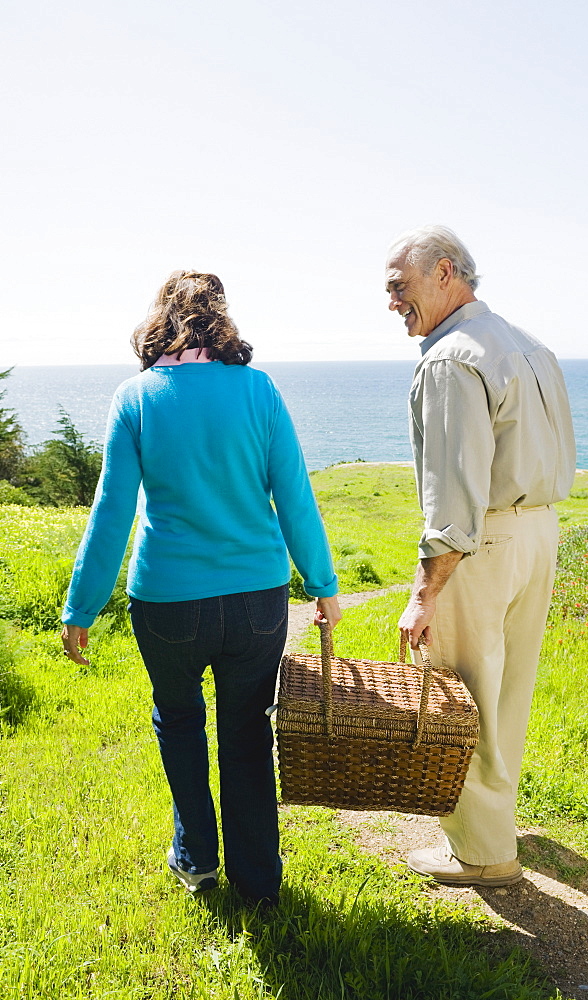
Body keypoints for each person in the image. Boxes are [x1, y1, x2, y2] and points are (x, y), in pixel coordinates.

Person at [61, 270, 340, 905]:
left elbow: (112, 511)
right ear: (221, 321)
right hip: (257, 602)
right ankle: (258, 881)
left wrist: (81, 605)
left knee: (180, 719)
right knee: (246, 730)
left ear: (160, 320)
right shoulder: (259, 391)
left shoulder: (136, 397)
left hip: (166, 603)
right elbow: (294, 496)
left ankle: (196, 860)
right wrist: (322, 585)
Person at [387, 227, 575, 887]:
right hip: (540, 532)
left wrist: (424, 591)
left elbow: (454, 489)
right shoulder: (529, 344)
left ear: (444, 273)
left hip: (484, 542)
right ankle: (495, 829)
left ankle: (483, 853)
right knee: (508, 695)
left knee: (463, 697)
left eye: (399, 287)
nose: (392, 304)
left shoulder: (449, 357)